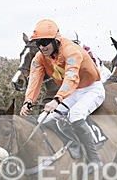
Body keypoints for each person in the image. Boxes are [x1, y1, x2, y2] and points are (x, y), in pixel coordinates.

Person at [20, 19, 106, 171]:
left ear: (56, 40)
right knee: (43, 119)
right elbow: (34, 79)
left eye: (45, 42)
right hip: (73, 92)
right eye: (39, 43)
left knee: (76, 114)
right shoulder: (40, 57)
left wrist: (57, 100)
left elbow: (71, 77)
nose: (42, 47)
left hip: (92, 89)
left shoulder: (71, 50)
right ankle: (72, 146)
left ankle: (94, 159)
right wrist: (28, 101)